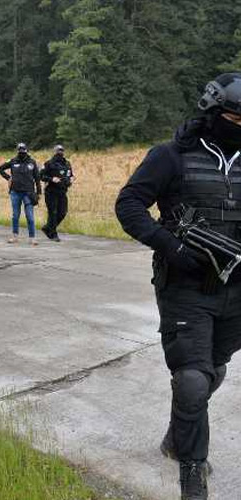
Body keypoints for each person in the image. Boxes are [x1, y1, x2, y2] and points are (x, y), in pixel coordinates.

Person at [115, 73, 241, 500]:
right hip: (185, 284)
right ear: (212, 111)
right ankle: (192, 481)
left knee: (212, 370)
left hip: (237, 288)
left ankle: (175, 436)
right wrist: (170, 246)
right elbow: (129, 204)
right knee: (190, 379)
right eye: (233, 117)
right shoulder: (172, 155)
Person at [0, 143, 41, 245]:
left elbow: (37, 178)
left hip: (28, 193)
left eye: (23, 150)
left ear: (27, 151)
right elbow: (0, 168)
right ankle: (15, 236)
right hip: (15, 192)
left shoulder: (32, 162)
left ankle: (32, 238)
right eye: (20, 150)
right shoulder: (13, 161)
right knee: (15, 215)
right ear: (17, 151)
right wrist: (8, 178)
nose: (22, 152)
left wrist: (39, 192)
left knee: (30, 216)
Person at [41, 144, 74, 242]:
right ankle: (53, 234)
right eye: (58, 151)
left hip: (62, 191)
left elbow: (70, 175)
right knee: (53, 213)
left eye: (61, 151)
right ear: (54, 152)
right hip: (51, 192)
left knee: (63, 212)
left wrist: (71, 179)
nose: (60, 153)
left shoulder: (67, 163)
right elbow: (41, 176)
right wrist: (51, 179)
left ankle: (48, 228)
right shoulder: (48, 163)